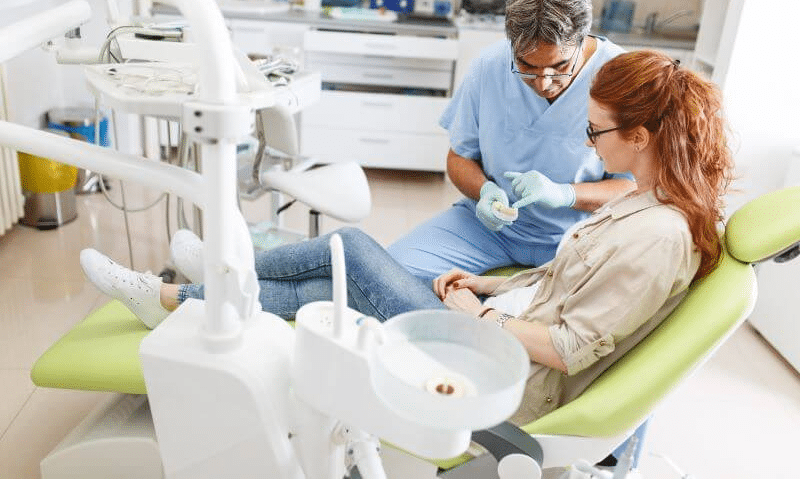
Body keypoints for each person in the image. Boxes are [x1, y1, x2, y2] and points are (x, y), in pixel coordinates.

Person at [80, 50, 733, 429]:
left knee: (353, 252)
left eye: (595, 131)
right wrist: (488, 286)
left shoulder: (658, 237)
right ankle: (190, 294)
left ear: (640, 136)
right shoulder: (646, 201)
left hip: (502, 375)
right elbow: (564, 281)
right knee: (323, 286)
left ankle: (202, 285)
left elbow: (568, 348)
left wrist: (479, 317)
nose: (588, 144)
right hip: (499, 324)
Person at [387, 0, 636, 285]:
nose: (543, 84)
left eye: (559, 67)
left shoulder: (622, 77)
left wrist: (566, 194)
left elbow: (632, 188)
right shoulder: (489, 66)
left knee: (598, 300)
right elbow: (459, 158)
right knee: (390, 273)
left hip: (579, 234)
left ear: (582, 40)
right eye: (527, 67)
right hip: (490, 229)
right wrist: (484, 191)